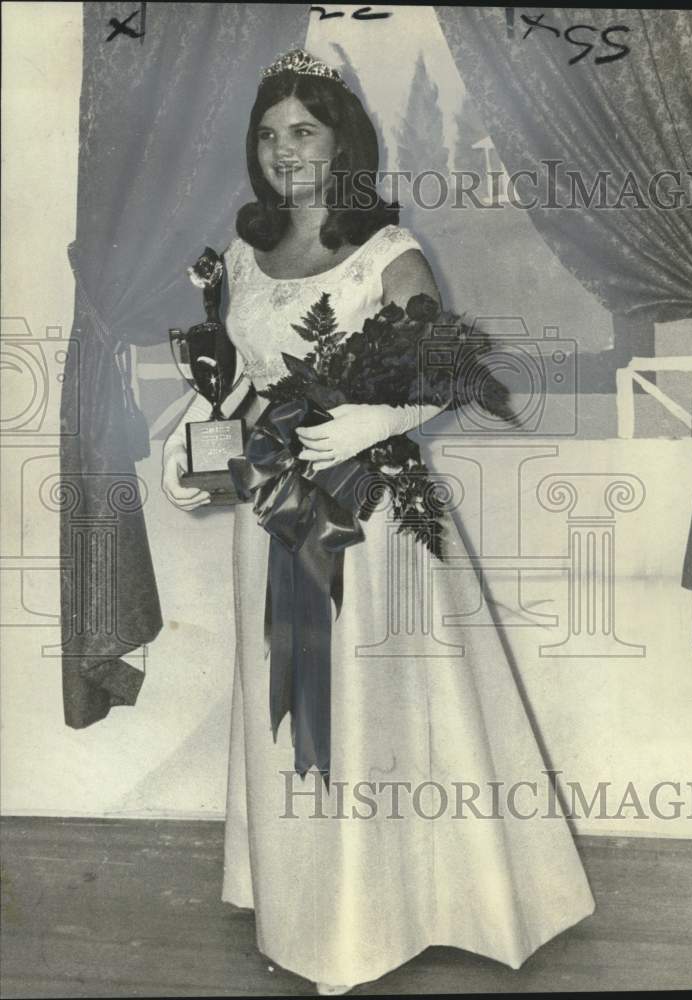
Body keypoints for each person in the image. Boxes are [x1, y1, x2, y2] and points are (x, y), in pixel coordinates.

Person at [162, 49, 594, 995]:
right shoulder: (240, 256)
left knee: (370, 711)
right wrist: (192, 450)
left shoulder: (389, 251)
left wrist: (374, 420)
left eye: (303, 132)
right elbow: (238, 389)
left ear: (340, 142)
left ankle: (378, 918)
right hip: (271, 514)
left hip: (371, 515)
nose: (284, 152)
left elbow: (441, 366)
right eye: (269, 136)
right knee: (289, 703)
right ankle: (303, 904)